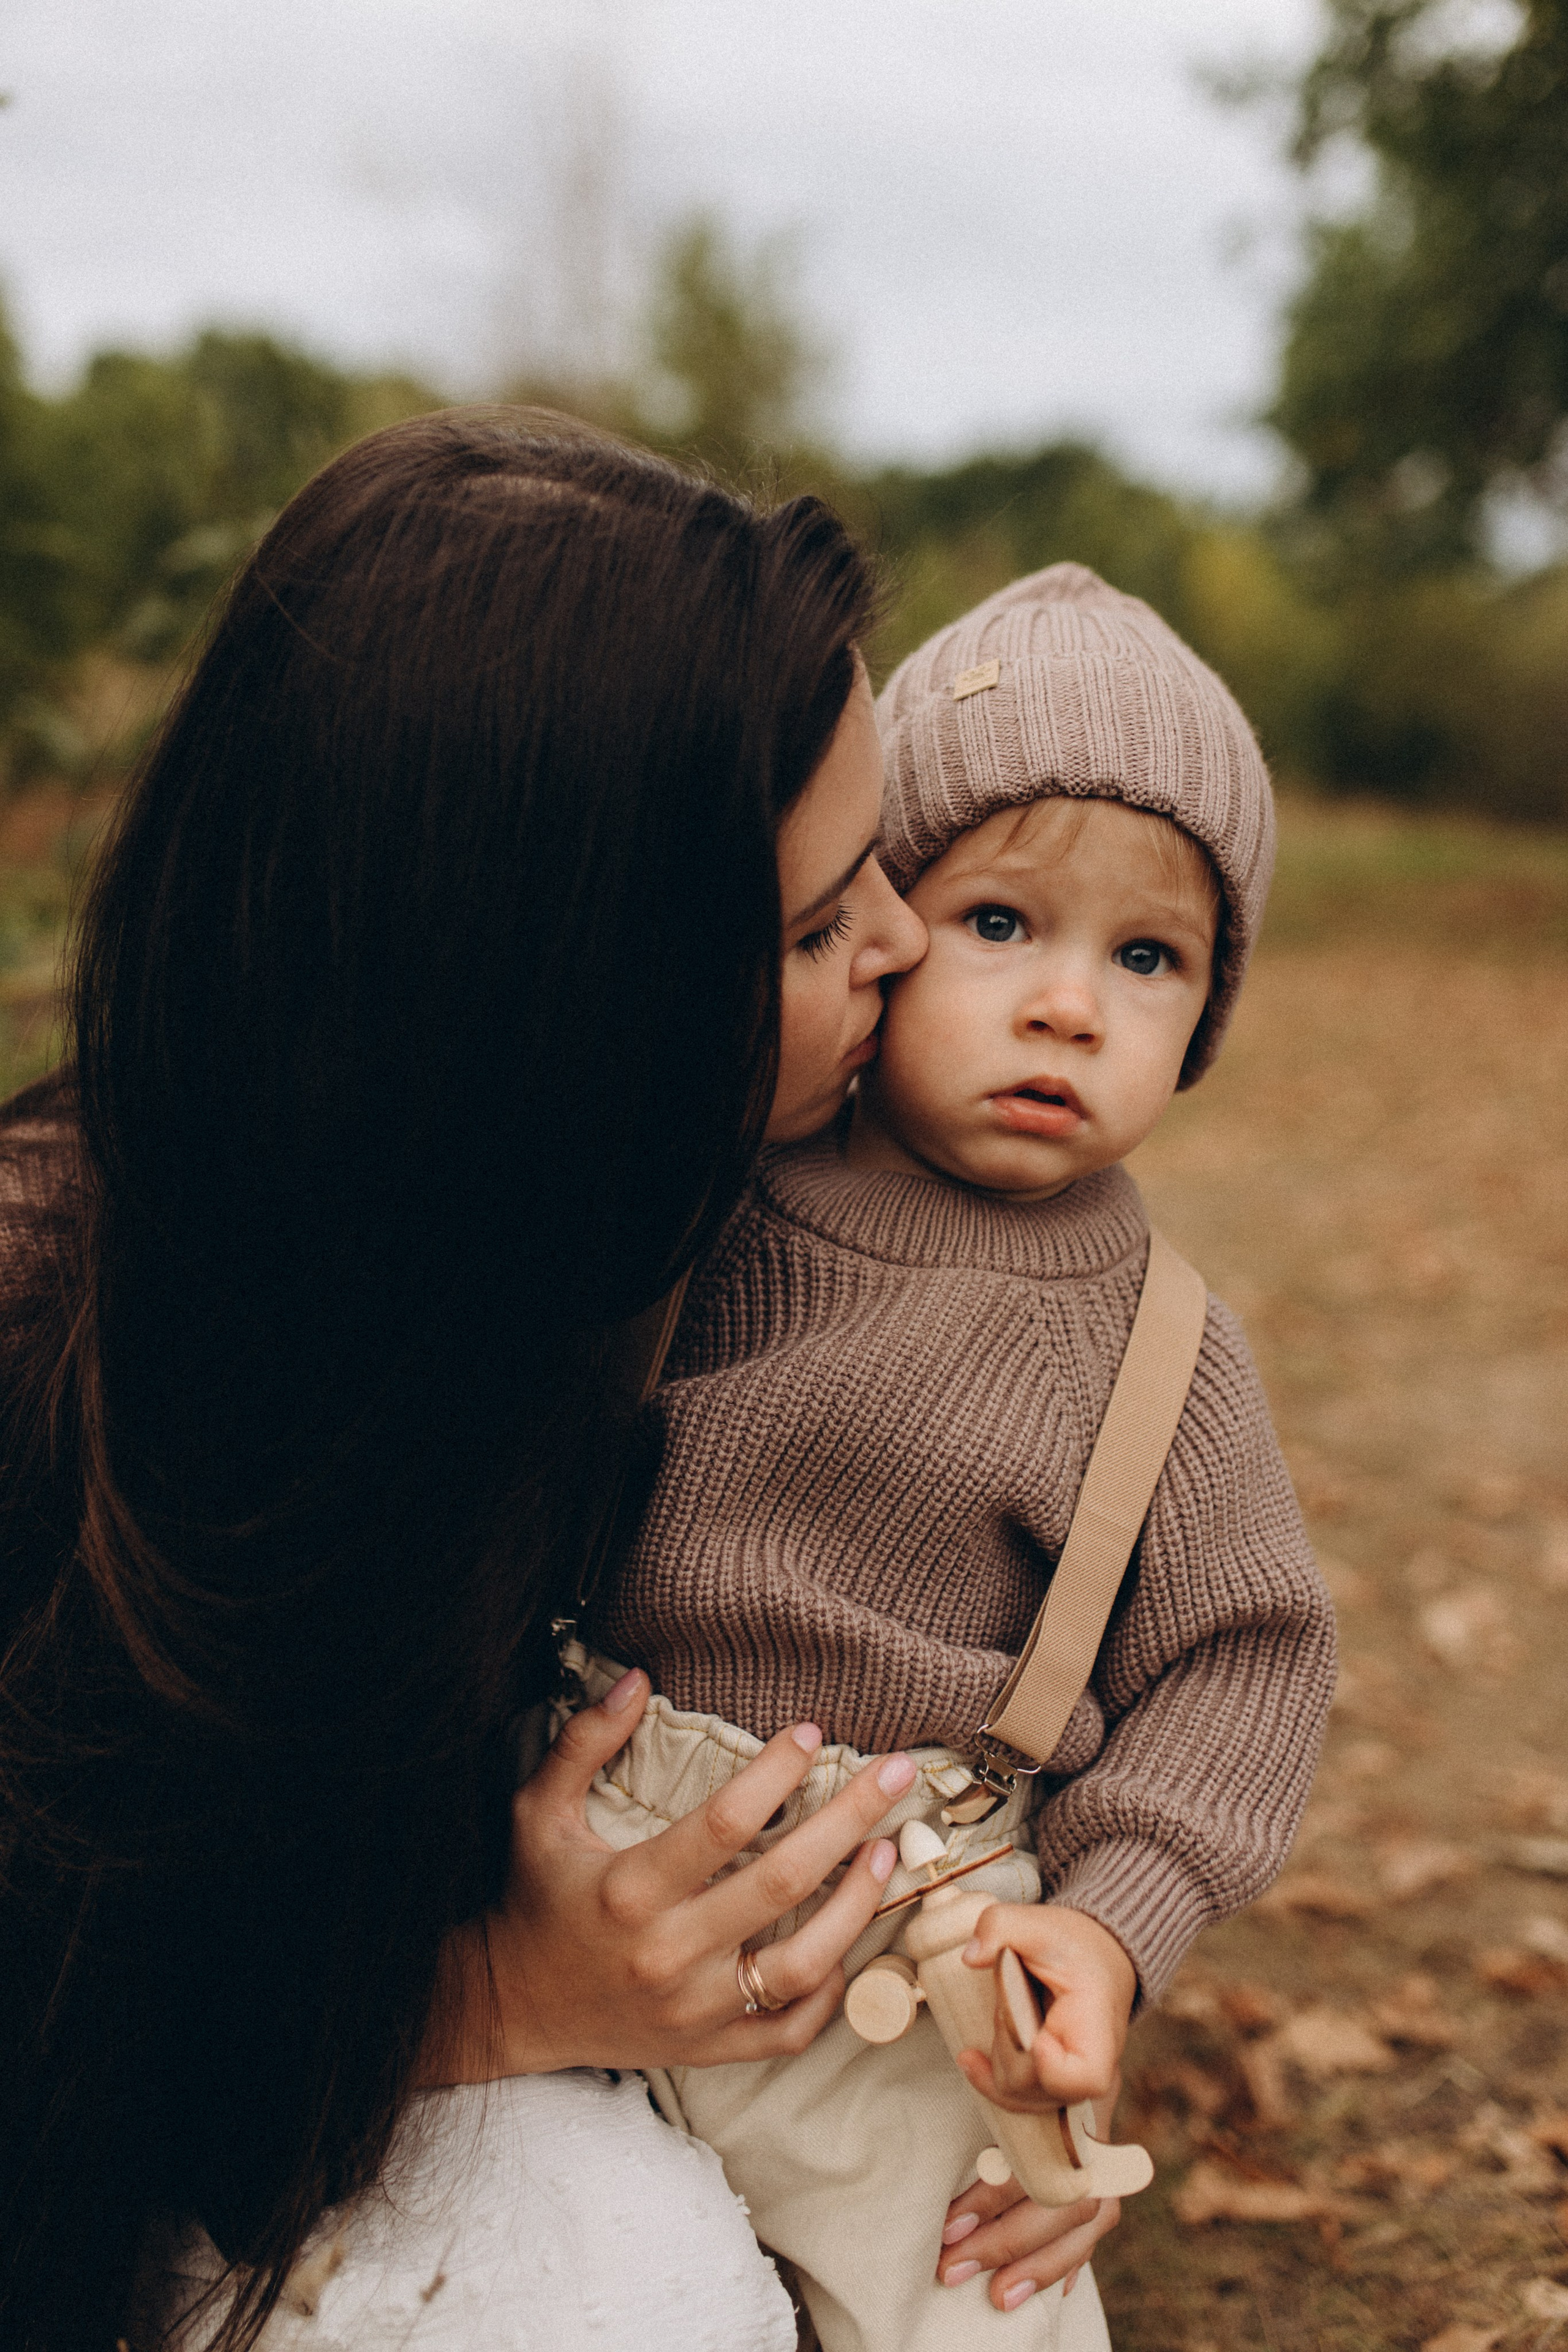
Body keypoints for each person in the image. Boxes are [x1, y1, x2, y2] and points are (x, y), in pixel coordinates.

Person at [0, 407, 951, 2351]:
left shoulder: (541, 1240)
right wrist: (496, 1997)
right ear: (561, 994)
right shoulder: (70, 1397)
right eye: (812, 920)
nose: (908, 941)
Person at [587, 565, 1338, 2350]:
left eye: (1145, 958)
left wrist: (1117, 1921)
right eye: (1002, 922)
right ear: (877, 923)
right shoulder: (714, 1196)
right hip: (588, 1850)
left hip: (910, 1943)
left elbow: (1248, 1661)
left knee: (969, 2307)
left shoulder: (1158, 1341)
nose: (1070, 1005)